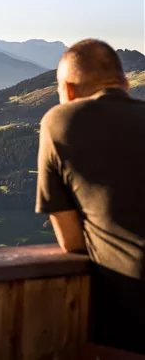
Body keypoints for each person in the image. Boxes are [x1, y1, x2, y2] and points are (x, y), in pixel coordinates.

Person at [36, 39, 145, 354]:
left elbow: (70, 240)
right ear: (124, 83)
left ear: (68, 91)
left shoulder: (59, 122)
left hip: (129, 321)